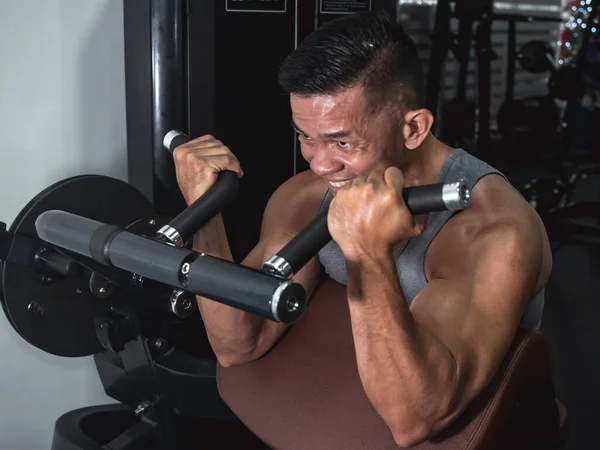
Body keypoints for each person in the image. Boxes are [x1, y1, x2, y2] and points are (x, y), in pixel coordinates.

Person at [172, 10, 552, 448]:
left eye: (342, 141)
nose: (319, 163)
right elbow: (238, 344)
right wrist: (204, 213)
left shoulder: (491, 231)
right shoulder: (307, 195)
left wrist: (367, 250)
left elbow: (413, 422)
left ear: (413, 128)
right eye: (305, 136)